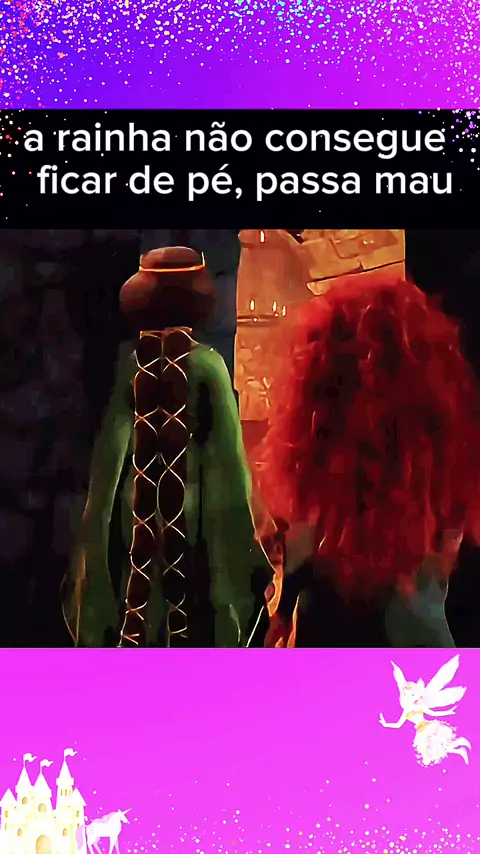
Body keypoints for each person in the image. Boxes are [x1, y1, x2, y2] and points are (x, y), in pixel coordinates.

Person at [62, 246, 272, 648]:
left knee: (140, 612)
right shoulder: (209, 366)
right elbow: (229, 463)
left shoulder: (129, 364)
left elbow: (109, 463)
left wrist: (96, 541)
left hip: (133, 517)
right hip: (196, 520)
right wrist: (250, 537)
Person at [258, 274, 480, 647]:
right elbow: (450, 551)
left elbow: (303, 544)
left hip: (330, 631)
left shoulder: (324, 451)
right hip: (416, 641)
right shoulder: (440, 457)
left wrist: (281, 614)